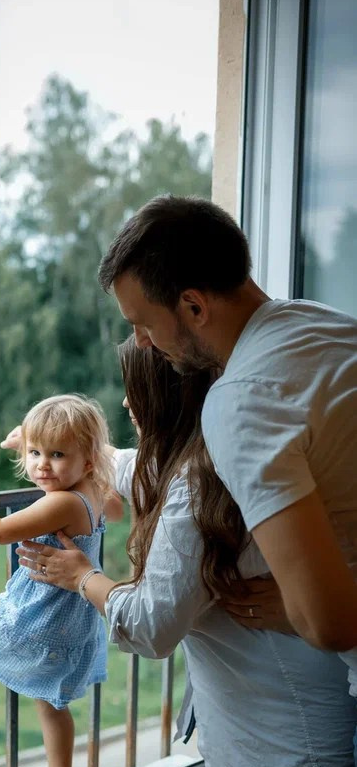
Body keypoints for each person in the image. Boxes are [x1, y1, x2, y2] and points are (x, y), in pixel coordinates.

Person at [15, 336, 357, 767]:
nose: (126, 404)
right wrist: (40, 441)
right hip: (308, 703)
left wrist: (82, 576)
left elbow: (151, 626)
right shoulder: (205, 453)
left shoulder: (195, 485)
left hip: (301, 731)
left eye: (132, 389)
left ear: (161, 393)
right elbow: (129, 468)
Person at [96, 194, 357, 680]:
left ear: (194, 306)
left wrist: (300, 610)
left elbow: (331, 624)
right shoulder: (321, 323)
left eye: (144, 324)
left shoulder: (242, 402)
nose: (143, 344)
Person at [0, 394, 122, 767]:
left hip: (38, 616)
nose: (42, 465)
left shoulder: (61, 502)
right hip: (71, 618)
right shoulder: (94, 492)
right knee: (51, 705)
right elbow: (116, 509)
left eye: (57, 455)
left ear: (87, 461)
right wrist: (31, 443)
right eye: (35, 454)